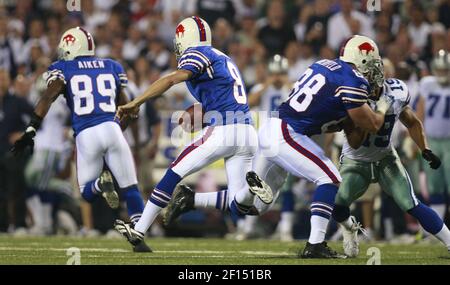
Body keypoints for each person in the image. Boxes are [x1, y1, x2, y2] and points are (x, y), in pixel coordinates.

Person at [166, 35, 394, 258]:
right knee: (330, 178)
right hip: (287, 133)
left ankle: (191, 199)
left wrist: (352, 122)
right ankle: (316, 244)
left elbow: (353, 136)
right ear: (362, 60)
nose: (375, 71)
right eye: (372, 63)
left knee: (255, 207)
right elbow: (373, 124)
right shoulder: (353, 79)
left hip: (274, 130)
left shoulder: (329, 68)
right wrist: (383, 105)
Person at [113, 16, 272, 248]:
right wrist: (197, 114)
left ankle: (139, 229)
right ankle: (251, 188)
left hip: (223, 129)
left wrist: (137, 102)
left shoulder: (197, 53)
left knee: (173, 172)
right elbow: (219, 96)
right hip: (247, 132)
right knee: (240, 203)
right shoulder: (223, 57)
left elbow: (170, 80)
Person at [11, 27, 150, 252]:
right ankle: (140, 239)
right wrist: (118, 130)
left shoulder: (62, 68)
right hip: (112, 128)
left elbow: (48, 96)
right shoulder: (112, 65)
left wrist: (31, 130)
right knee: (130, 187)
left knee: (86, 191)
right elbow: (127, 109)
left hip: (86, 133)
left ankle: (99, 184)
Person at [332, 74, 449, 257]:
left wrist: (424, 149)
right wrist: (375, 113)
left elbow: (412, 122)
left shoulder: (396, 92)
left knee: (410, 203)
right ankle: (349, 228)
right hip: (356, 161)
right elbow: (355, 142)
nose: (368, 88)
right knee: (337, 204)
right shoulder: (351, 95)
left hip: (385, 158)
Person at [418, 50, 450, 222]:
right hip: (430, 140)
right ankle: (438, 228)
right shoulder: (427, 83)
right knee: (434, 184)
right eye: (440, 70)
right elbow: (420, 112)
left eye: (446, 70)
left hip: (449, 141)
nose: (442, 74)